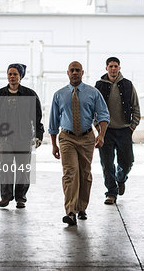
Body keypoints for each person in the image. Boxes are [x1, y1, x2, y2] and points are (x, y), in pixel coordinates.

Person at [49, 61, 109, 225]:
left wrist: (101, 135)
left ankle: (82, 207)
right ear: (67, 73)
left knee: (84, 173)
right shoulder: (59, 95)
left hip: (86, 138)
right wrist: (54, 144)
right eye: (71, 70)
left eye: (77, 70)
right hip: (67, 138)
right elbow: (53, 122)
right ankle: (70, 211)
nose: (74, 73)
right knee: (70, 173)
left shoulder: (93, 93)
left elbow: (103, 115)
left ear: (82, 73)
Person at [0, 63, 44, 209]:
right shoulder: (0, 94)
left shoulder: (29, 94)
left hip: (24, 138)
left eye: (15, 74)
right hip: (5, 138)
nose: (12, 77)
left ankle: (21, 198)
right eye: (10, 74)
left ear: (20, 76)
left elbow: (37, 117)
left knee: (23, 168)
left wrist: (39, 135)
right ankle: (6, 197)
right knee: (5, 167)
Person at [95, 57, 141, 205]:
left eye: (116, 66)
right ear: (106, 68)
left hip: (124, 130)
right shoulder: (99, 85)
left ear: (119, 68)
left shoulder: (127, 85)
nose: (113, 69)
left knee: (127, 162)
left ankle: (121, 178)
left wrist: (132, 127)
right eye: (110, 66)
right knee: (107, 164)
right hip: (106, 132)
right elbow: (93, 108)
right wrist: (98, 127)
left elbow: (135, 107)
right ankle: (111, 193)